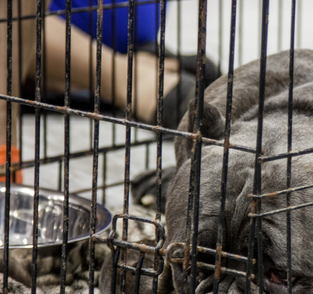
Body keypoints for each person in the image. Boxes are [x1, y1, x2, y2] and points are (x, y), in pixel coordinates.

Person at [0, 0, 219, 183]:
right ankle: (130, 79)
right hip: (38, 50)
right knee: (189, 99)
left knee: (210, 81)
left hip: (126, 45)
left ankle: (130, 63)